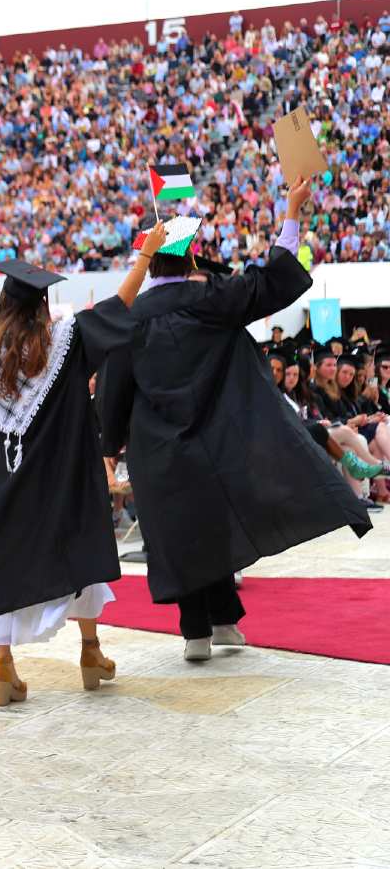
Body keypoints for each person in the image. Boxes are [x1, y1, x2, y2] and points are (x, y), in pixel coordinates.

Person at [97, 179, 373, 661]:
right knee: (215, 520)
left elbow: (115, 389)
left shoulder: (132, 318)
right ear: (191, 259)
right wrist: (291, 210)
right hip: (217, 438)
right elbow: (269, 281)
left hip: (158, 447)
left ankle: (198, 632)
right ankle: (221, 623)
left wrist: (110, 445)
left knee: (182, 532)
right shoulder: (212, 299)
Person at [0, 238, 158, 707]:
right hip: (65, 485)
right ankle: (91, 653)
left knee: (1, 566)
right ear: (43, 304)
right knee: (80, 556)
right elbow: (119, 307)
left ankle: (3, 666)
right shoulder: (66, 340)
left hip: (4, 489)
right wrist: (144, 256)